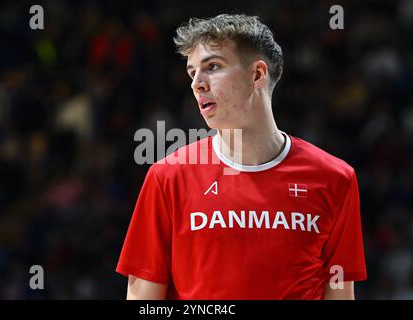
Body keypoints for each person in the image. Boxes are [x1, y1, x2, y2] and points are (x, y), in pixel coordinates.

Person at [116, 14, 367, 299]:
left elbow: (340, 293)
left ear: (257, 74)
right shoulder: (167, 177)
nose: (197, 83)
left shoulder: (335, 178)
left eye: (212, 67)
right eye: (192, 73)